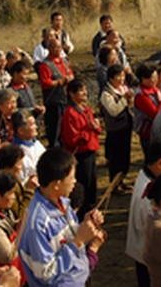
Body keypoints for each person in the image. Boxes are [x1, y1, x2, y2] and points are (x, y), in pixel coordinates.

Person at [19, 148, 106, 287]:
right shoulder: (38, 223)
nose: (75, 182)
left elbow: (68, 239)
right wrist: (78, 241)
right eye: (71, 177)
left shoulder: (63, 203)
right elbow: (46, 274)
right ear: (56, 184)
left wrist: (86, 224)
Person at [126, 136, 161, 287]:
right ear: (160, 163)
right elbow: (153, 226)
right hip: (150, 255)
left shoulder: (147, 177)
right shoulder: (148, 196)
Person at [60, 79, 102, 220]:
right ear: (72, 94)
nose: (85, 93)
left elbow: (97, 130)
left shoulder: (86, 109)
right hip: (81, 153)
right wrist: (87, 130)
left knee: (92, 183)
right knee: (84, 184)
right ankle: (83, 213)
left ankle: (91, 208)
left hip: (91, 150)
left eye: (85, 90)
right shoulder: (70, 114)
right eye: (81, 90)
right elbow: (71, 139)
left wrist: (96, 127)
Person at [98, 64, 134, 195]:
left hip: (126, 126)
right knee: (116, 158)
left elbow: (129, 105)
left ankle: (121, 181)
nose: (121, 79)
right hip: (115, 129)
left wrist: (130, 100)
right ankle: (114, 184)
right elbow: (113, 111)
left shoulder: (123, 87)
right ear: (111, 78)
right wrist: (125, 99)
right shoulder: (106, 93)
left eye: (123, 76)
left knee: (125, 156)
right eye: (119, 76)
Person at [38, 37, 75, 148]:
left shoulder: (64, 61)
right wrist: (59, 81)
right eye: (55, 47)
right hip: (54, 101)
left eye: (59, 47)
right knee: (55, 129)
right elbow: (45, 83)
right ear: (49, 48)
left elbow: (72, 74)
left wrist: (70, 78)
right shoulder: (45, 64)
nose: (58, 49)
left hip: (66, 98)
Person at [133, 63, 161, 153]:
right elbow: (154, 113)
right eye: (151, 78)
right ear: (143, 78)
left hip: (158, 129)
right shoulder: (141, 95)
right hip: (148, 132)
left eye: (156, 77)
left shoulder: (154, 89)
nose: (154, 80)